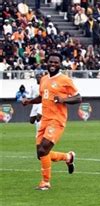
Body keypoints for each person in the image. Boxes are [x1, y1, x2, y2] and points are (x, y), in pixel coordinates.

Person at [22, 52, 82, 190]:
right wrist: (29, 101)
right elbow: (43, 97)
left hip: (57, 120)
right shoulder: (44, 79)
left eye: (56, 62)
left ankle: (45, 183)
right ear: (47, 63)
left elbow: (78, 98)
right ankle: (68, 157)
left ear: (60, 64)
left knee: (43, 150)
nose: (53, 64)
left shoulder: (65, 80)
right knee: (41, 154)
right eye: (51, 62)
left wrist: (63, 100)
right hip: (44, 119)